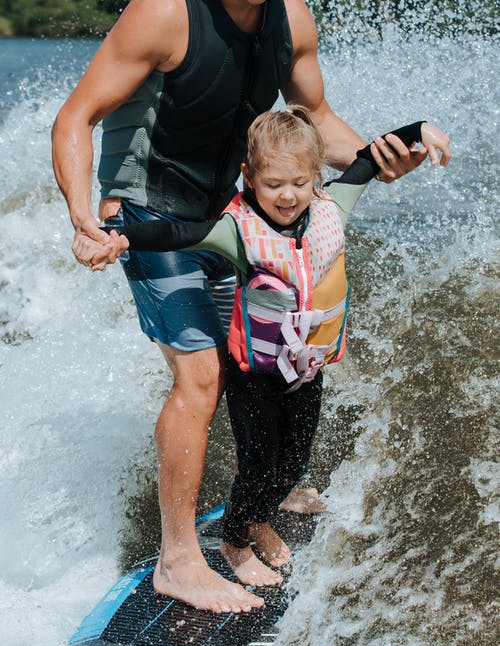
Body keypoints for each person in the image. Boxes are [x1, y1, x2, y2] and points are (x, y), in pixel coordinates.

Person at [51, 0, 451, 613]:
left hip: (232, 218)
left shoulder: (291, 20)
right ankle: (179, 559)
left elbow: (315, 116)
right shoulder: (163, 14)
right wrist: (83, 217)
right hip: (148, 214)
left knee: (262, 357)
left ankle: (261, 494)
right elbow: (75, 117)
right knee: (201, 377)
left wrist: (380, 159)